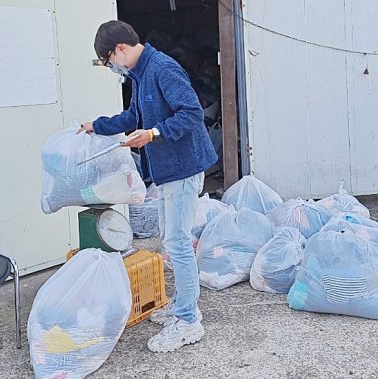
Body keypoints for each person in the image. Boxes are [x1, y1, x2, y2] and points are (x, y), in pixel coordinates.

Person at [78, 20, 218, 352]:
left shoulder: (163, 69)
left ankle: (188, 320)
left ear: (120, 50)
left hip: (183, 168)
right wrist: (96, 126)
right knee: (172, 241)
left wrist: (153, 134)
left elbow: (192, 114)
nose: (112, 67)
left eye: (109, 60)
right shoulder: (141, 74)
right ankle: (182, 306)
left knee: (179, 243)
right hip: (169, 171)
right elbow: (133, 117)